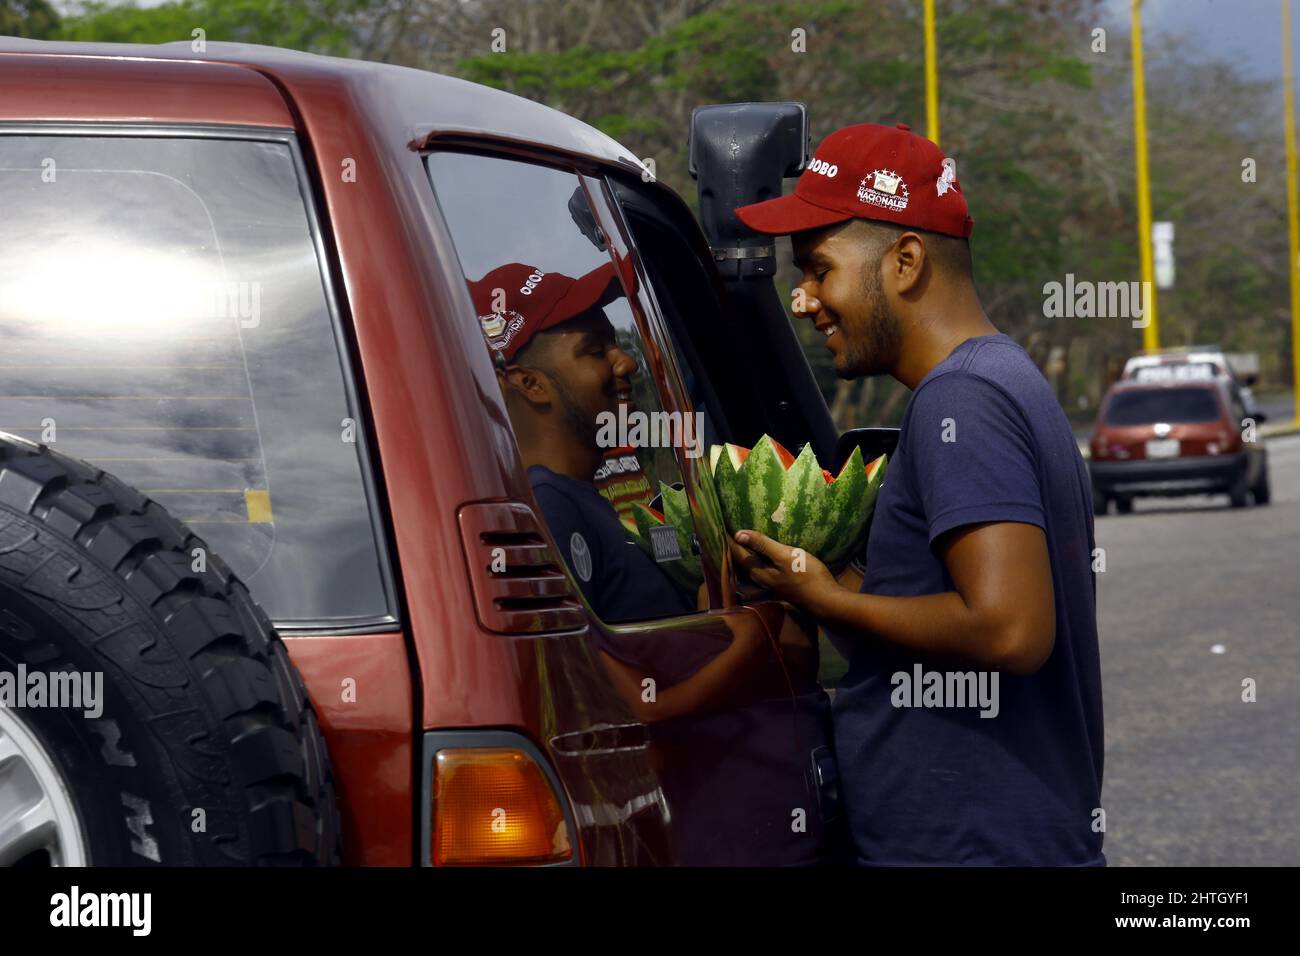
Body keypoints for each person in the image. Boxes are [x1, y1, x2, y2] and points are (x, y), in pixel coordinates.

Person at [729, 122, 1105, 866]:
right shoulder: (1002, 379)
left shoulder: (960, 400)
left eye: (817, 269)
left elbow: (1009, 631)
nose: (804, 301)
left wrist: (827, 600)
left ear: (904, 262)